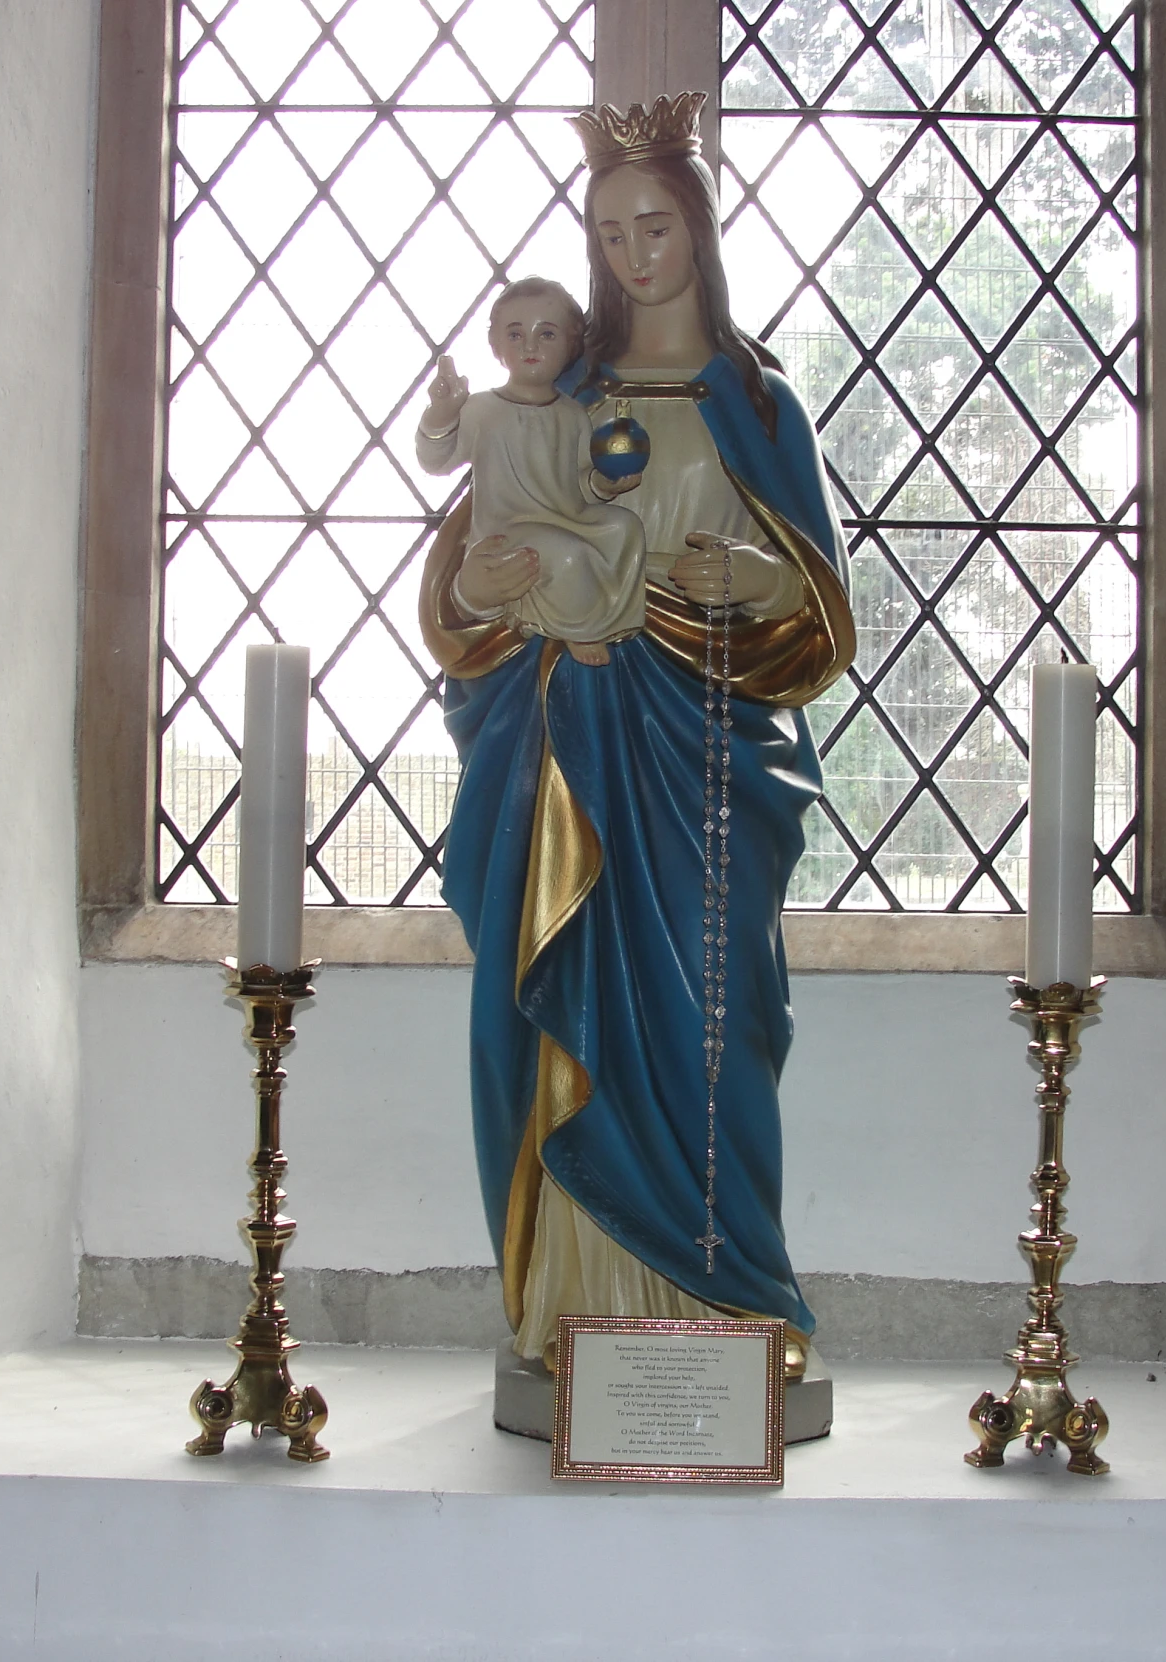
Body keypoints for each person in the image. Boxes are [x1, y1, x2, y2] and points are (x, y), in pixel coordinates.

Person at [420, 92, 855, 1377]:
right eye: (607, 231)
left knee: (712, 1015)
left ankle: (725, 1310)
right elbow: (467, 570)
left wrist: (754, 588)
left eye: (653, 225)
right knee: (572, 1006)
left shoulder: (757, 402)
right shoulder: (560, 392)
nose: (629, 255)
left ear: (699, 232)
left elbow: (820, 611)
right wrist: (480, 593)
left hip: (704, 757)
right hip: (571, 752)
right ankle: (576, 1308)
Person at [414, 279, 644, 668]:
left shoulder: (571, 414)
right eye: (516, 334)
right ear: (496, 345)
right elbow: (436, 459)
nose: (530, 346)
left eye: (547, 334)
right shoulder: (484, 409)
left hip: (566, 517)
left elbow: (580, 482)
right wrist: (442, 414)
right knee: (566, 556)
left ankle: (611, 621)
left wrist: (605, 484)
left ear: (571, 345)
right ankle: (576, 626)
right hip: (509, 530)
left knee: (625, 527)